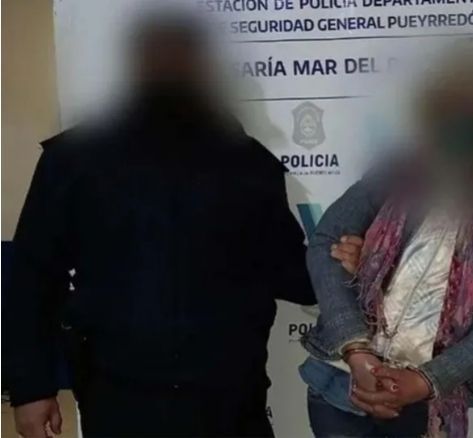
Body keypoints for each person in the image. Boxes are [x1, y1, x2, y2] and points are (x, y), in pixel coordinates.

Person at [6, 12, 314, 438]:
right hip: (118, 397)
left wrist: (346, 261)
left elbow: (289, 273)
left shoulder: (248, 163)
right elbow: (32, 278)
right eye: (159, 55)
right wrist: (30, 388)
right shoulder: (74, 160)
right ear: (137, 66)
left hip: (230, 399)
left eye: (180, 56)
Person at [298, 38, 473, 438]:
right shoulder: (396, 171)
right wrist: (356, 350)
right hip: (341, 382)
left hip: (430, 400)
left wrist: (427, 380)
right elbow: (326, 240)